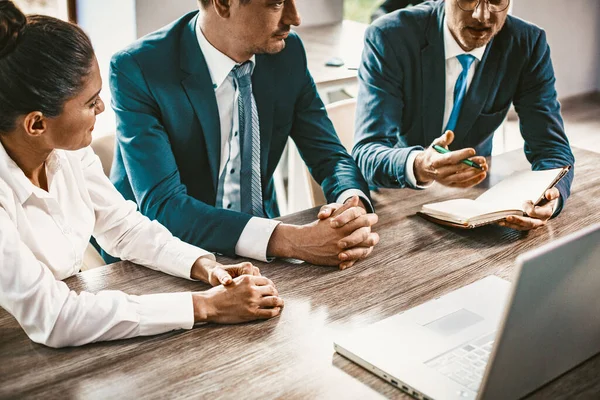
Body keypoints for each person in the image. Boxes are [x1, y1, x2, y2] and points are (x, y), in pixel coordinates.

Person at [0, 0, 283, 348]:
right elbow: (55, 318)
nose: (102, 108)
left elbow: (124, 229)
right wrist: (205, 307)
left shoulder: (67, 153)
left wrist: (204, 265)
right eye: (90, 103)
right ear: (36, 124)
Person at [109, 0, 379, 270]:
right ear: (224, 4)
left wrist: (352, 205)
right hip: (159, 256)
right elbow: (164, 206)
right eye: (276, 4)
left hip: (261, 249)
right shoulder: (137, 68)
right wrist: (293, 240)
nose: (295, 18)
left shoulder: (288, 52)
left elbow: (329, 155)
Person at [354, 0, 575, 231]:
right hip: (397, 197)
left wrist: (551, 197)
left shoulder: (527, 42)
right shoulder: (389, 36)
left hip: (475, 201)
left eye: (496, 0)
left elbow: (551, 147)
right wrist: (420, 165)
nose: (482, 16)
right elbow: (366, 152)